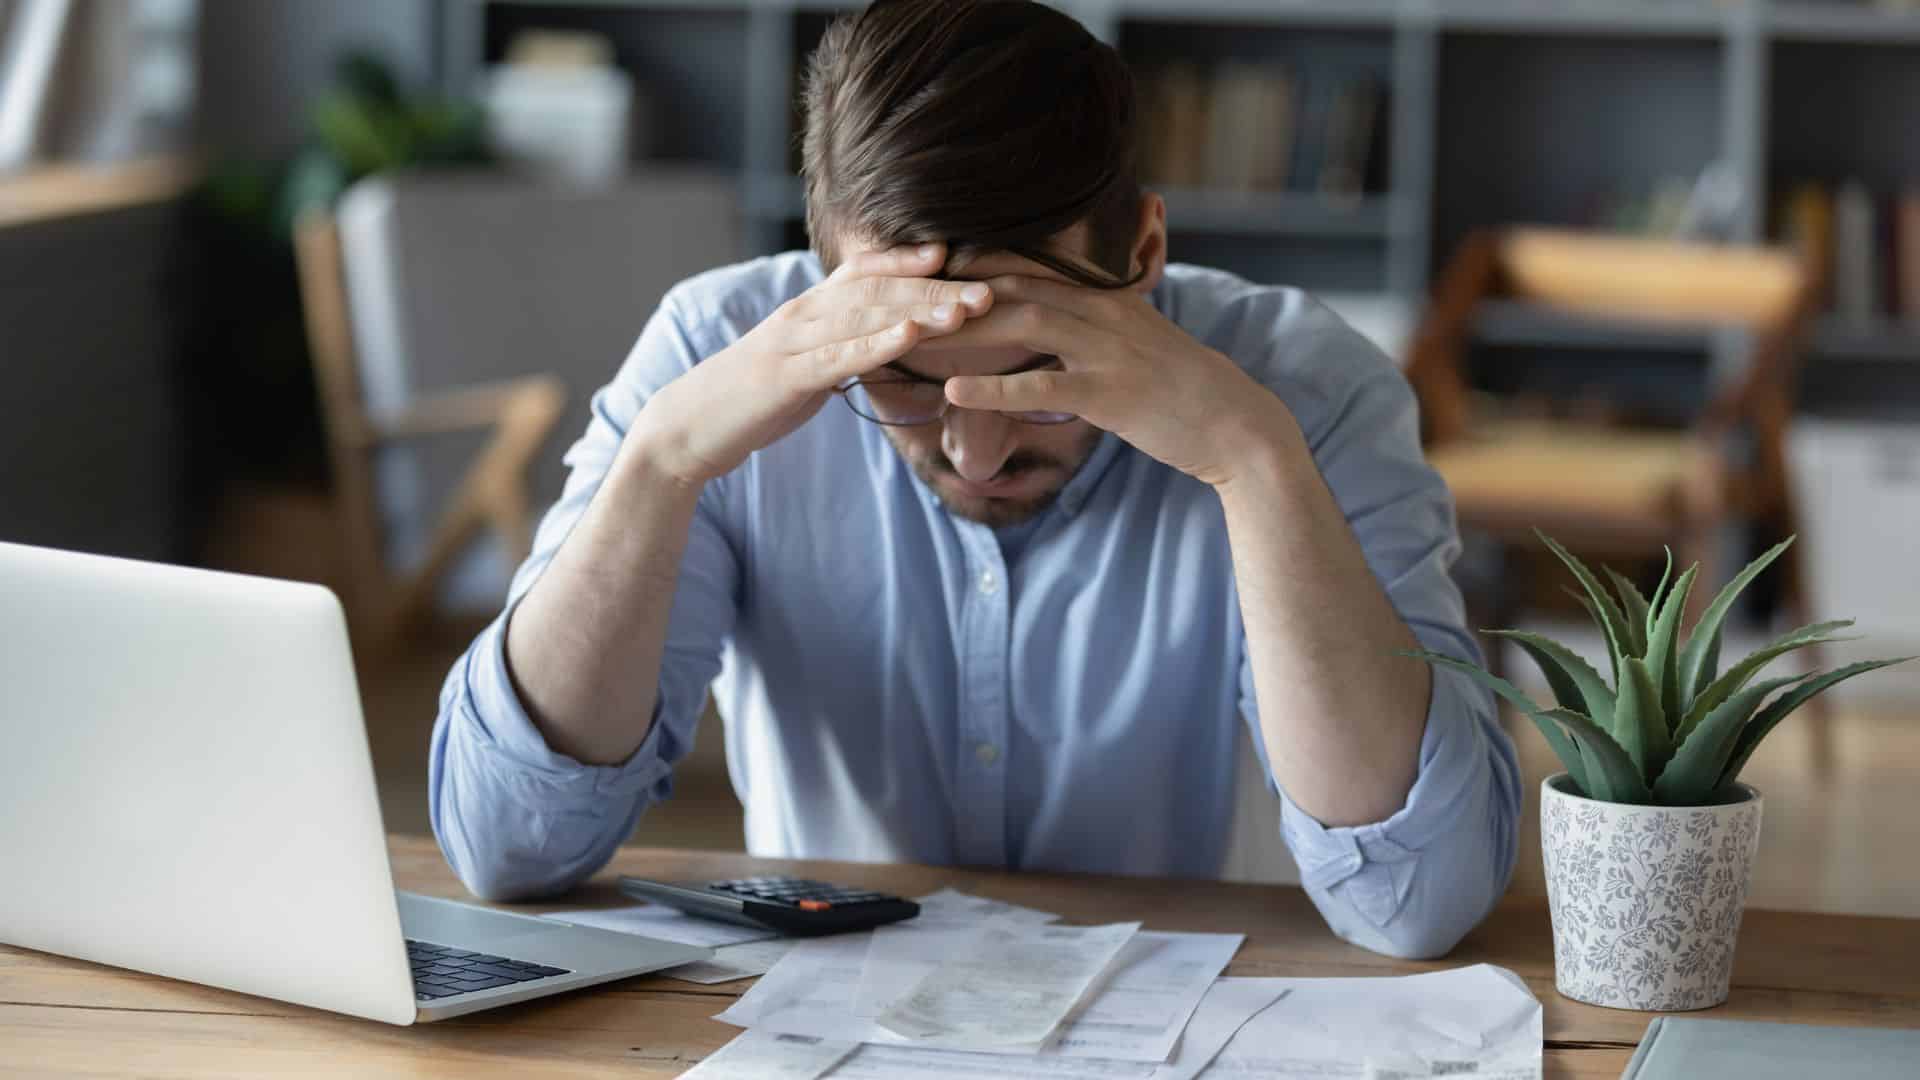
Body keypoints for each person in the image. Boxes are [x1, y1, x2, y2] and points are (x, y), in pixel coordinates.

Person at [428, 0, 1520, 959]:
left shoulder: (1305, 393)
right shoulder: (711, 357)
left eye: (1041, 374)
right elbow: (506, 845)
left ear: (1141, 254)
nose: (975, 455)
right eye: (899, 380)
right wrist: (661, 466)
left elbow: (1416, 900)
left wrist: (1251, 460)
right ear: (823, 274)